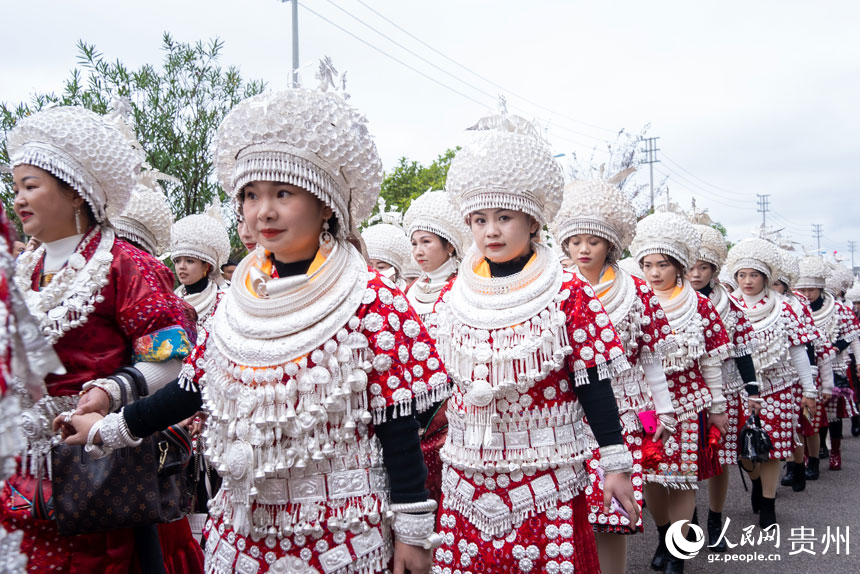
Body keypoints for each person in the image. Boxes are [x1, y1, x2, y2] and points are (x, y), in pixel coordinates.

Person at [61, 67, 448, 574]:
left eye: (282, 194)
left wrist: (414, 533)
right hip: (239, 535)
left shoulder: (371, 298)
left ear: (324, 203)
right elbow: (191, 391)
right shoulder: (237, 301)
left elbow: (398, 428)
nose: (261, 211)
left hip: (340, 537)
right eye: (250, 195)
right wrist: (109, 428)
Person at [433, 109, 638, 574]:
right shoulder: (455, 292)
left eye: (504, 217)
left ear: (532, 223)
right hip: (468, 467)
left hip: (546, 467)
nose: (491, 230)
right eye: (480, 219)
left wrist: (615, 460)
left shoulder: (567, 288)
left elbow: (593, 380)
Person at [4, 105, 203, 573]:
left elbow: (174, 361)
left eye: (30, 186)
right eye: (16, 188)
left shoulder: (125, 266)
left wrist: (108, 392)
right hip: (19, 469)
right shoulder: (20, 271)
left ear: (75, 191)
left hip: (94, 465)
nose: (18, 200)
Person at [550, 174, 677, 574]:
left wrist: (665, 411)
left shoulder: (636, 290)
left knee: (613, 515)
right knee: (571, 515)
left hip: (623, 412)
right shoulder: (551, 289)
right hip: (567, 417)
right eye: (574, 242)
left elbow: (651, 359)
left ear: (610, 245)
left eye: (593, 241)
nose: (582, 249)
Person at [630, 212, 730, 574]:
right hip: (644, 404)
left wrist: (718, 405)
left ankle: (677, 550)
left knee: (682, 477)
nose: (654, 273)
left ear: (679, 267)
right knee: (653, 476)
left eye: (662, 265)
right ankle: (662, 535)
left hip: (689, 402)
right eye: (647, 265)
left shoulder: (700, 307)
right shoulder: (633, 303)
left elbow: (712, 362)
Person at [725, 238, 817, 528]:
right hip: (736, 390)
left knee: (773, 448)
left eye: (754, 275)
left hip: (777, 388)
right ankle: (756, 484)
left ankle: (768, 502)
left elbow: (798, 351)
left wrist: (810, 390)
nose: (747, 281)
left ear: (766, 277)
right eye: (742, 275)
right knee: (744, 449)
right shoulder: (725, 308)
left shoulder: (785, 308)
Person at [686, 223, 761, 550]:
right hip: (684, 394)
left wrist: (753, 390)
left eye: (703, 267)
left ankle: (715, 521)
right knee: (685, 461)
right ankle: (687, 524)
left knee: (721, 459)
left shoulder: (732, 306)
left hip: (725, 392)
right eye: (690, 266)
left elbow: (743, 351)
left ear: (715, 270)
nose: (696, 273)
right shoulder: (664, 303)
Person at [401, 189, 470, 508]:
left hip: (453, 407)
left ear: (450, 245)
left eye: (426, 241)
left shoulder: (463, 290)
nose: (418, 250)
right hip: (413, 404)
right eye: (414, 242)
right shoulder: (409, 290)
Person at [796, 257, 860, 471]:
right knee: (808, 415)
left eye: (811, 289)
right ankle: (810, 453)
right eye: (803, 289)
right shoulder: (795, 309)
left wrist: (835, 348)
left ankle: (835, 451)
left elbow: (851, 334)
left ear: (820, 288)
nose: (807, 294)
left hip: (835, 366)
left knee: (832, 415)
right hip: (807, 368)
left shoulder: (839, 309)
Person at [171, 204, 231, 330]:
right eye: (177, 261)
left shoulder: (225, 301)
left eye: (189, 261)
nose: (181, 266)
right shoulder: (171, 301)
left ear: (206, 266)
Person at [362, 220, 411, 290]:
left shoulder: (410, 295)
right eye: (369, 267)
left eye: (380, 267)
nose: (374, 272)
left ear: (395, 271)